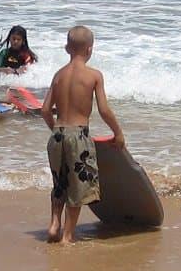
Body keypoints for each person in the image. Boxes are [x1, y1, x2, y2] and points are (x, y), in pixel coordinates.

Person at [41, 25, 125, 244]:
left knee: (60, 183)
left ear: (67, 48)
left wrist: (57, 131)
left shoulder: (59, 75)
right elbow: (104, 110)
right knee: (78, 186)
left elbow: (45, 110)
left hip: (57, 135)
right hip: (78, 135)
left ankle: (54, 224)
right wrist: (118, 133)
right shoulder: (94, 75)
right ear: (90, 49)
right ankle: (67, 235)